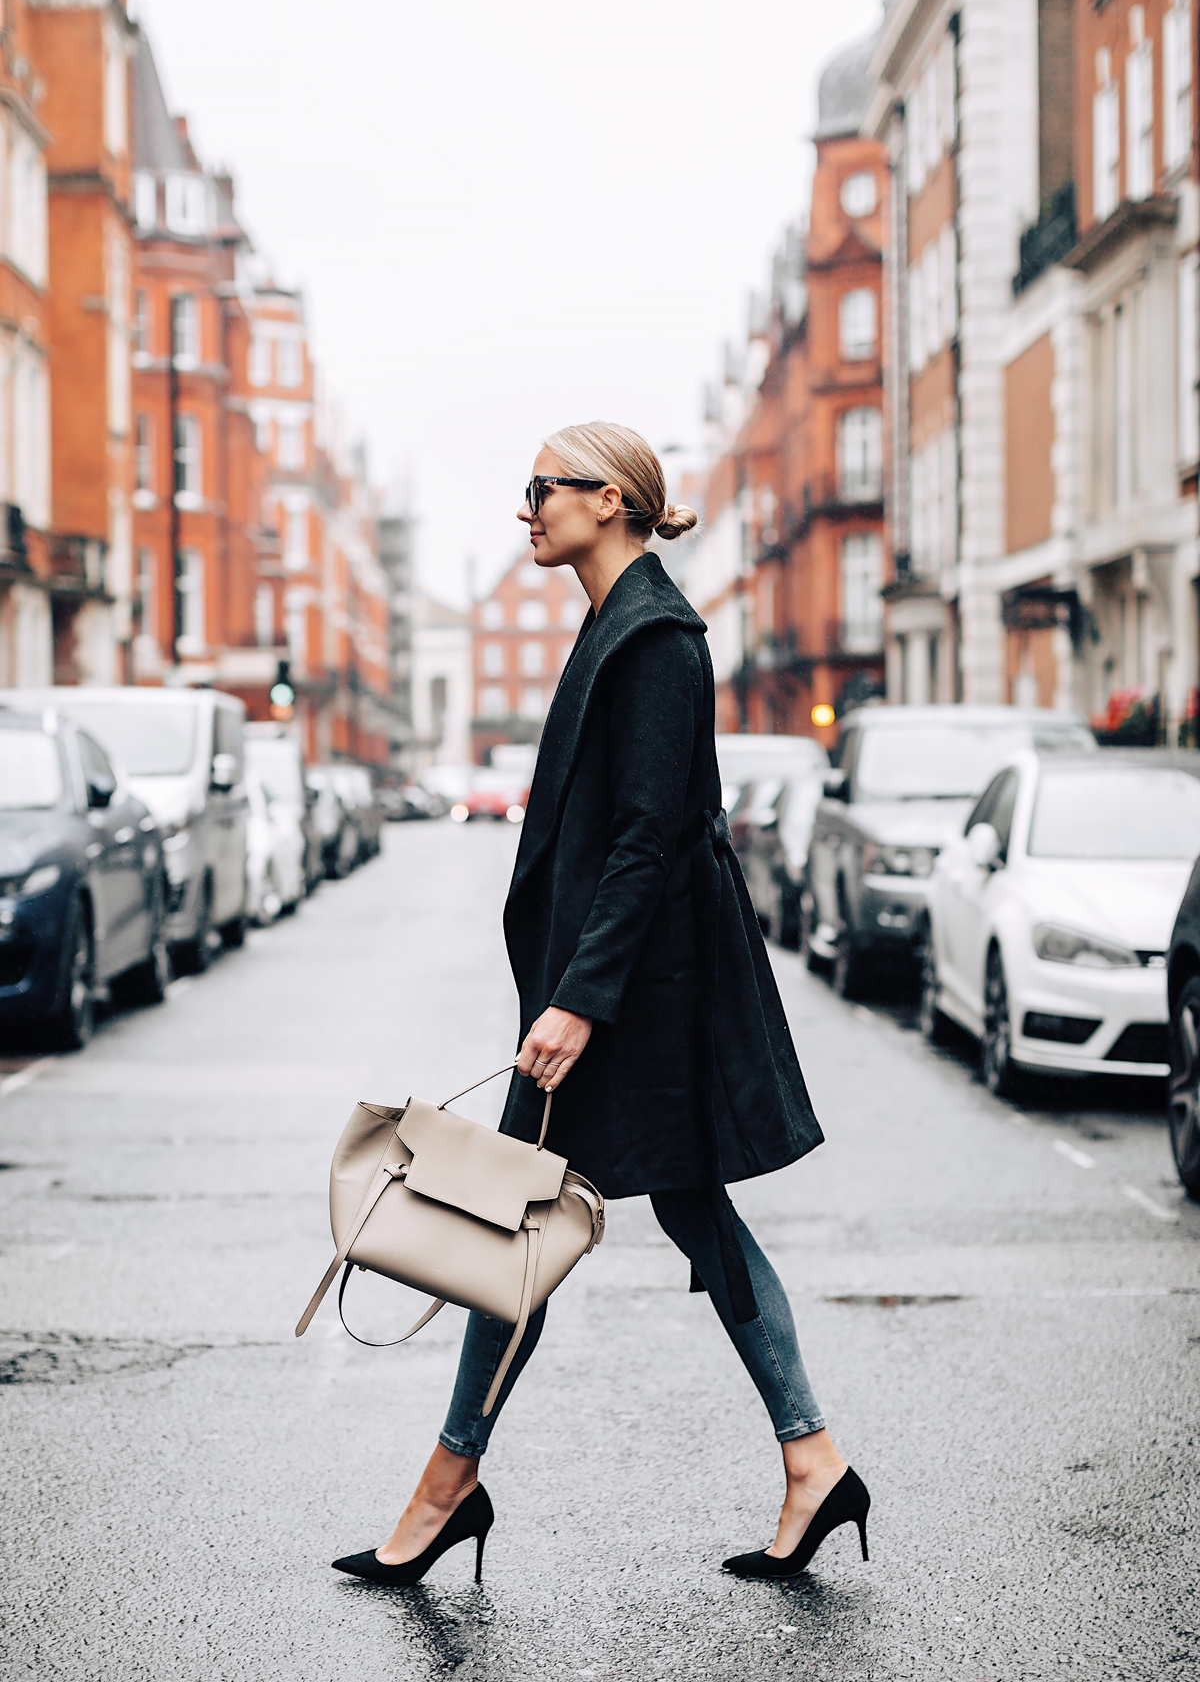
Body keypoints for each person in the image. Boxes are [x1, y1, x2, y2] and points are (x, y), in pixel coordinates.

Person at [332, 422, 869, 1586]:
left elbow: (644, 840)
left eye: (544, 488)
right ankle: (812, 1460)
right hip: (625, 985)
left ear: (613, 499)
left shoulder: (660, 638)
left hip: (637, 996)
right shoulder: (617, 623)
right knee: (653, 1212)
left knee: (511, 1225)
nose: (527, 508)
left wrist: (578, 1002)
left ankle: (448, 1485)